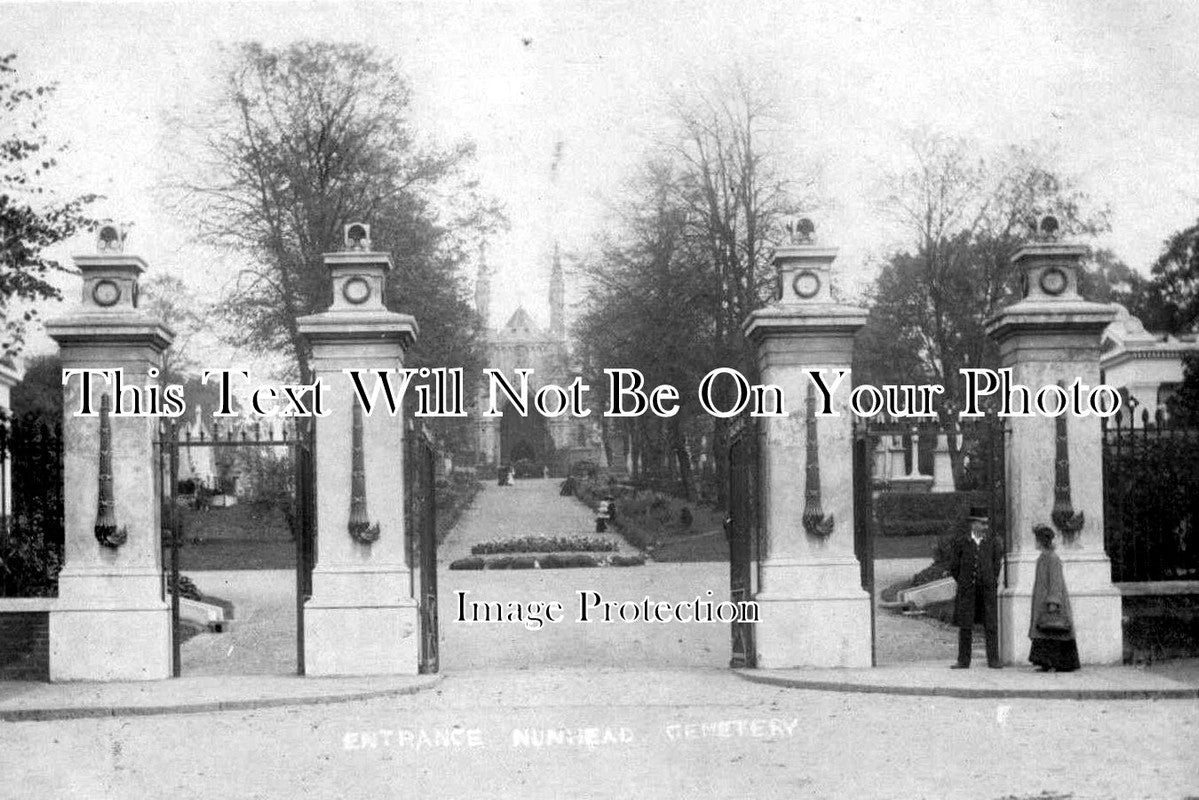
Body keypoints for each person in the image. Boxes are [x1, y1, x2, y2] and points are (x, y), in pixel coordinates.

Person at [949, 506, 1004, 669]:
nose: (985, 527)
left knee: (991, 624)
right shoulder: (962, 542)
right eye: (982, 524)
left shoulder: (992, 543)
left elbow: (996, 565)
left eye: (986, 524)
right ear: (973, 524)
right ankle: (963, 660)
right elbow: (954, 566)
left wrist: (989, 579)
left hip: (986, 590)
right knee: (965, 625)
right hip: (968, 590)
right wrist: (964, 581)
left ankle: (993, 659)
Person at [1028, 524, 1080, 672]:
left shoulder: (1053, 558)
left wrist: (1053, 602)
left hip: (1050, 603)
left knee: (1054, 631)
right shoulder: (1043, 558)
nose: (1035, 542)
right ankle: (1046, 662)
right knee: (1046, 632)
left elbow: (1056, 582)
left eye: (1036, 539)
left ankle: (1056, 663)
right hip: (1042, 603)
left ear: (1041, 541)